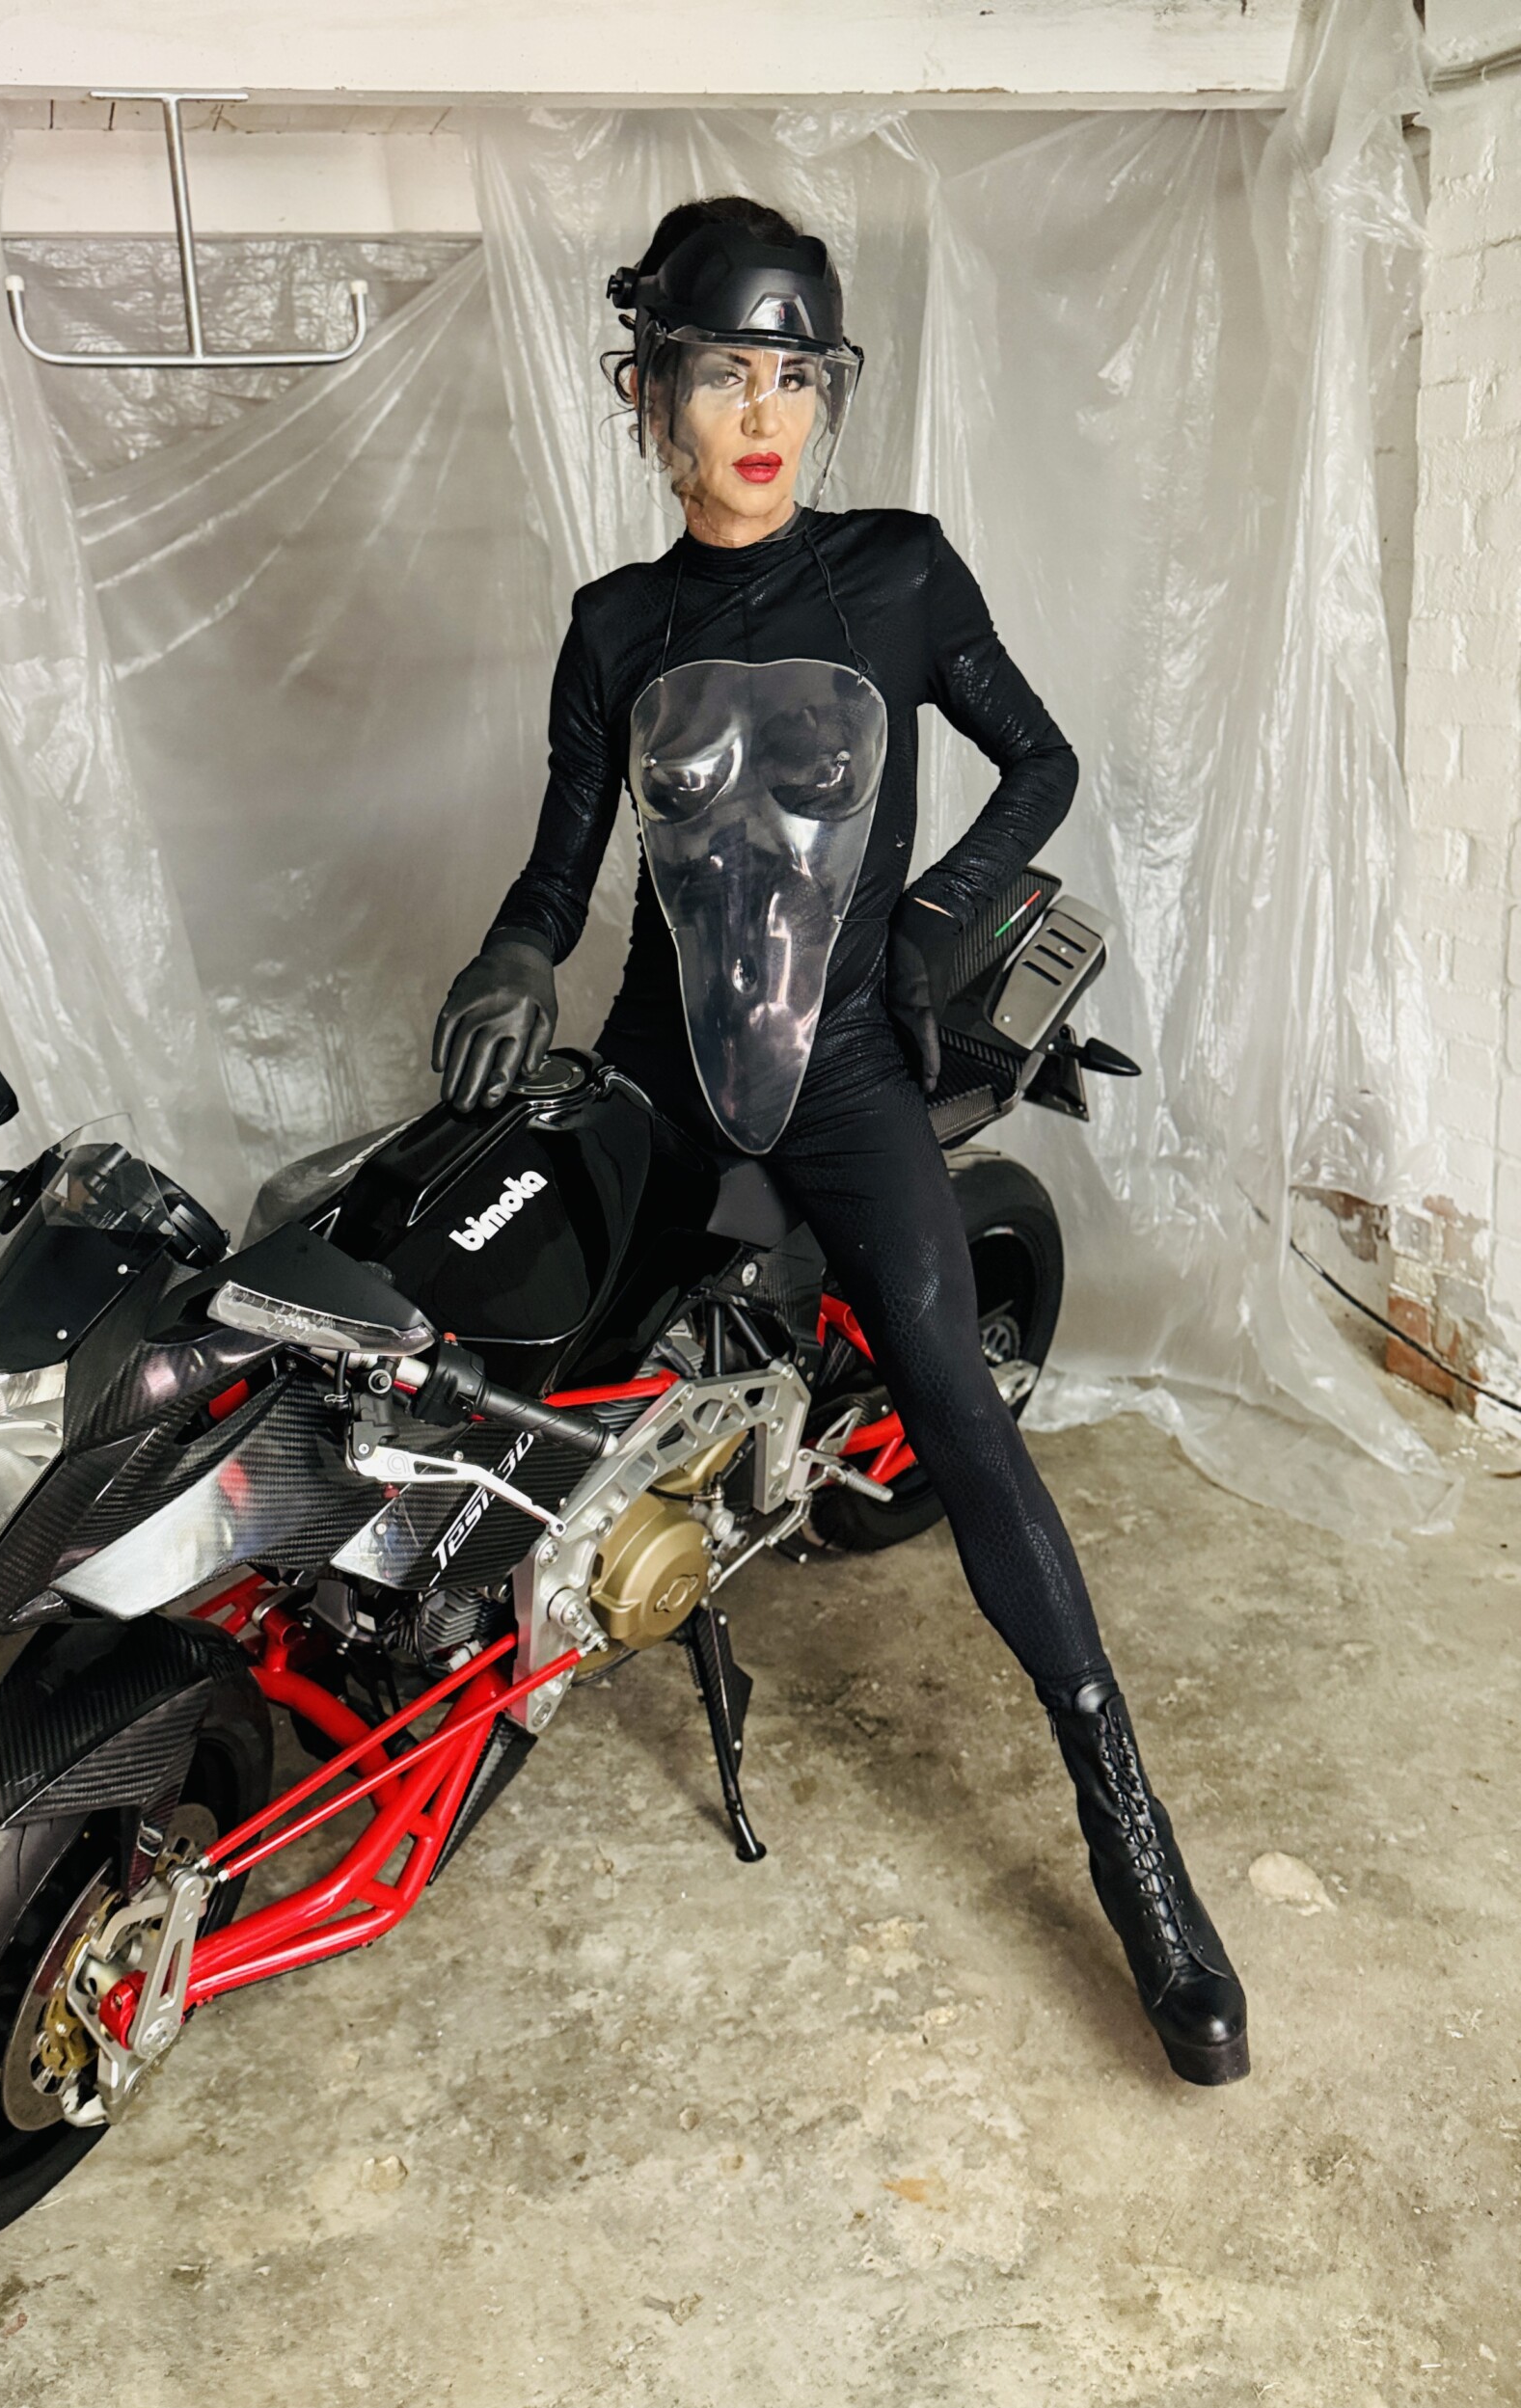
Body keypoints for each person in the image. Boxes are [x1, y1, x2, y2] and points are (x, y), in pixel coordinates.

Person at [431, 196, 1247, 2087]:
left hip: (855, 1071)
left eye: (798, 373)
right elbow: (562, 867)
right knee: (512, 1355)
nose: (764, 410)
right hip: (656, 1063)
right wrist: (513, 952)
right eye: (726, 369)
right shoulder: (613, 627)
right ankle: (460, 1699)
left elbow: (1041, 759)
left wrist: (937, 913)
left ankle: (1130, 1831)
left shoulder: (899, 573)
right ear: (650, 390)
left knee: (959, 1406)